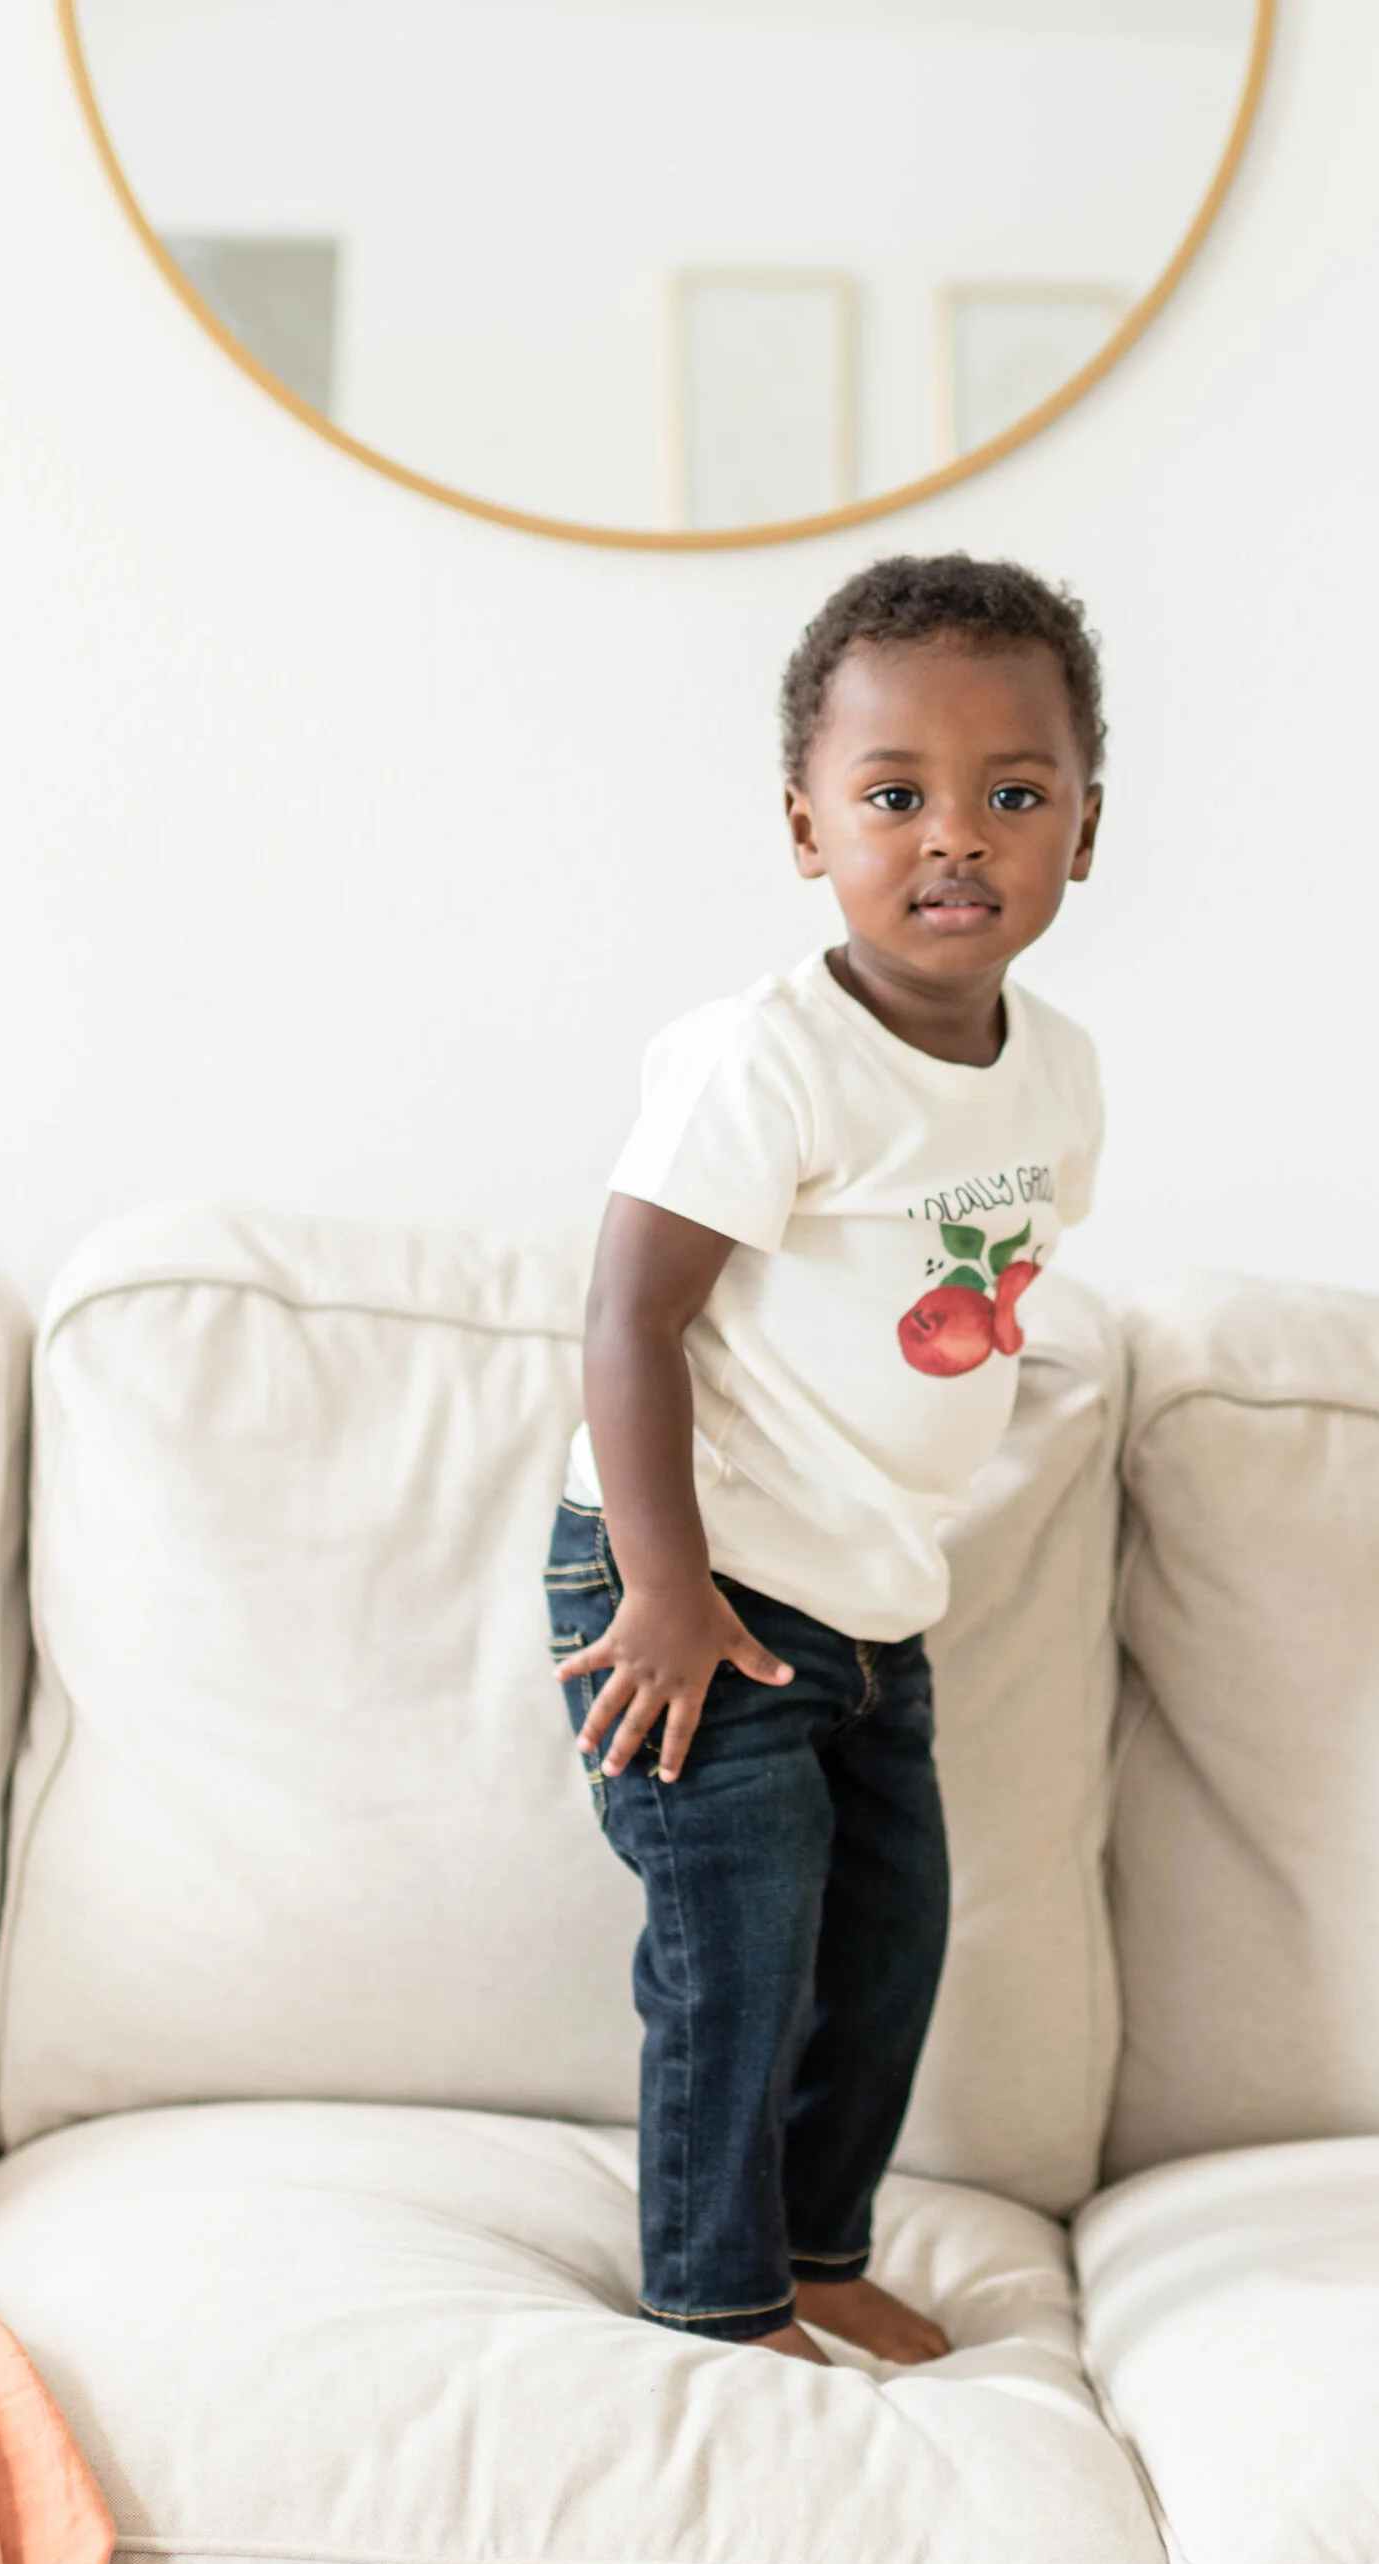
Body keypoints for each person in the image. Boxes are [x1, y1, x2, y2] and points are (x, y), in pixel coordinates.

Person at [543, 554, 1107, 2367]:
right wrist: (666, 1588)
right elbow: (631, 1317)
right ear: (807, 827)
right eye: (895, 796)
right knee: (745, 1929)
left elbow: (965, 1290)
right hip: (690, 1584)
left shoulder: (1058, 1076)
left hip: (872, 1601)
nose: (958, 835)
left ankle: (817, 2240)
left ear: (1086, 829)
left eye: (1014, 793)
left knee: (886, 1942)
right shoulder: (762, 1064)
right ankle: (715, 2288)